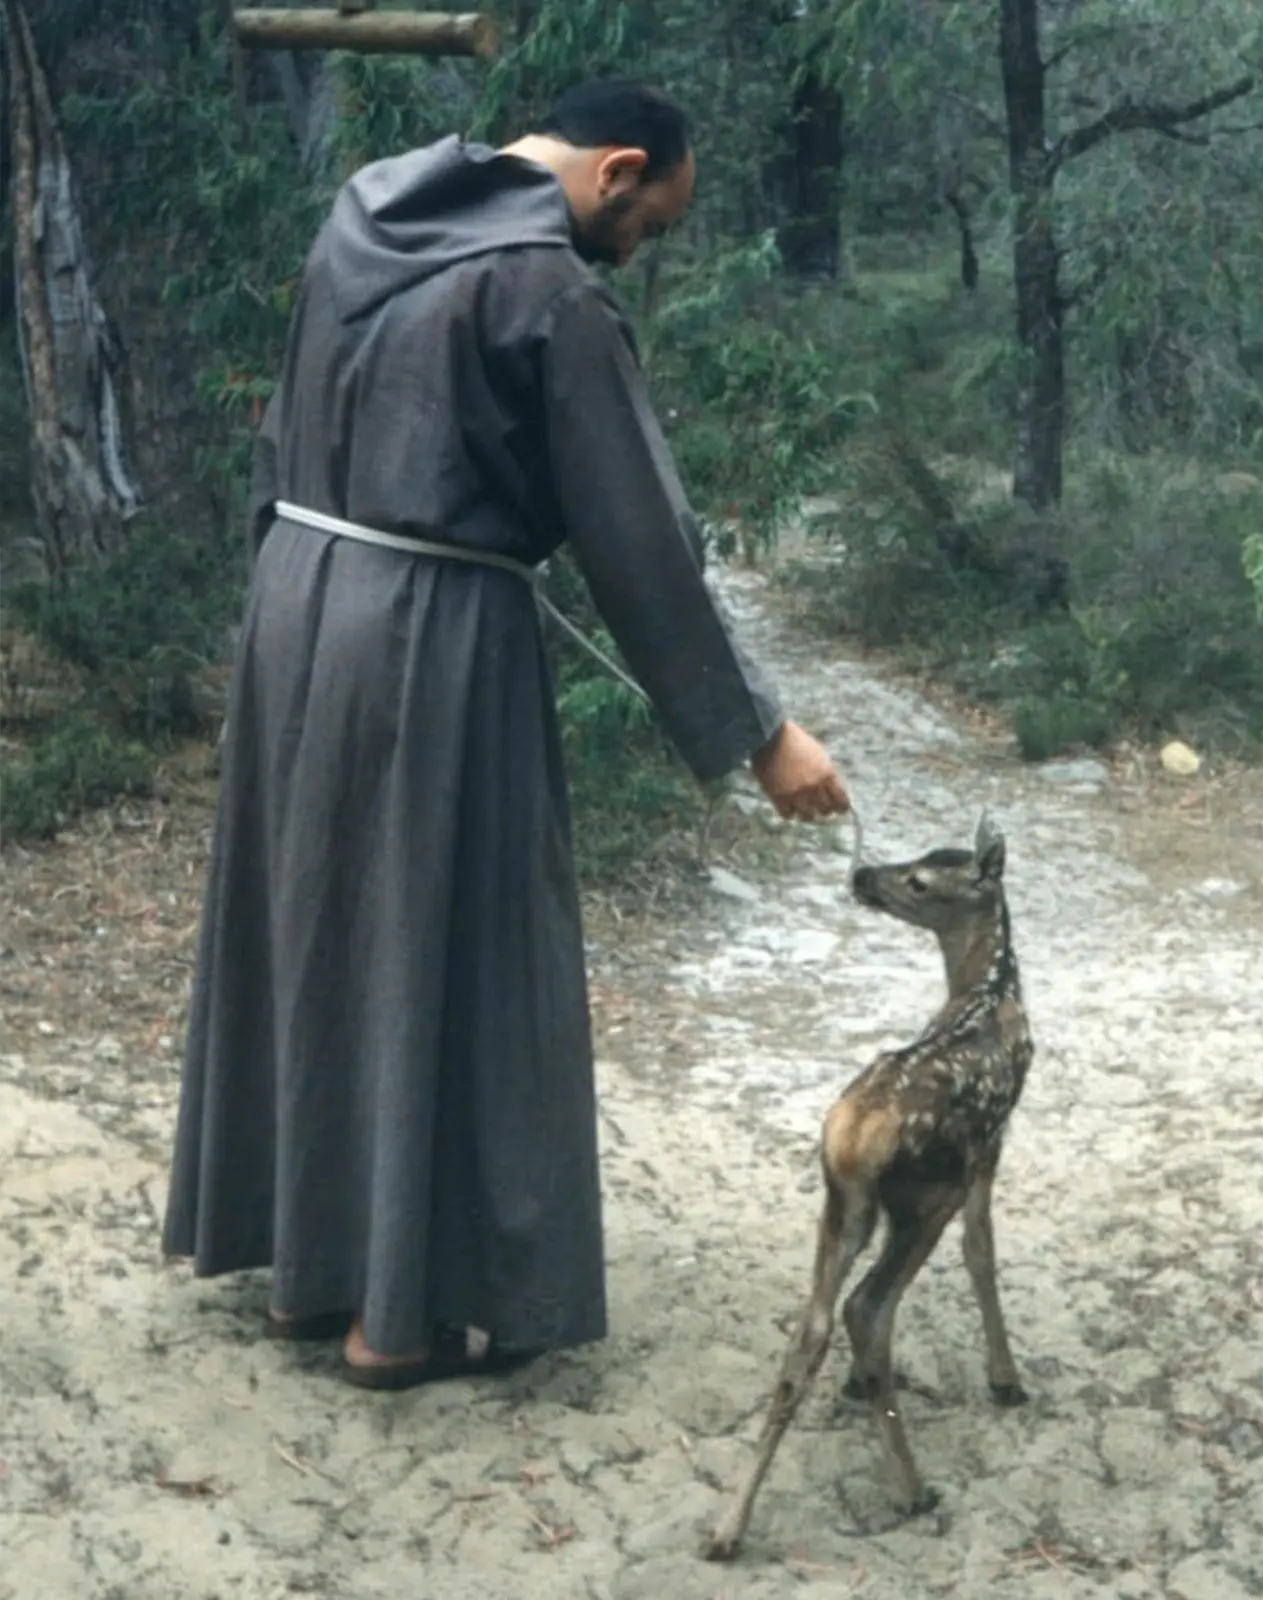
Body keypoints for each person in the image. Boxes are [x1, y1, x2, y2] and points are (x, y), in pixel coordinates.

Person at [161, 77, 849, 1389]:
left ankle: (306, 1281)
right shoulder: (553, 290)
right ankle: (393, 1325)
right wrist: (761, 736)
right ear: (616, 171)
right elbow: (637, 537)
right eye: (654, 220)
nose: (644, 247)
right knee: (454, 942)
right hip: (431, 631)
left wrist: (290, 598)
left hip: (298, 602)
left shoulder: (363, 209)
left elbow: (278, 429)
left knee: (320, 933)